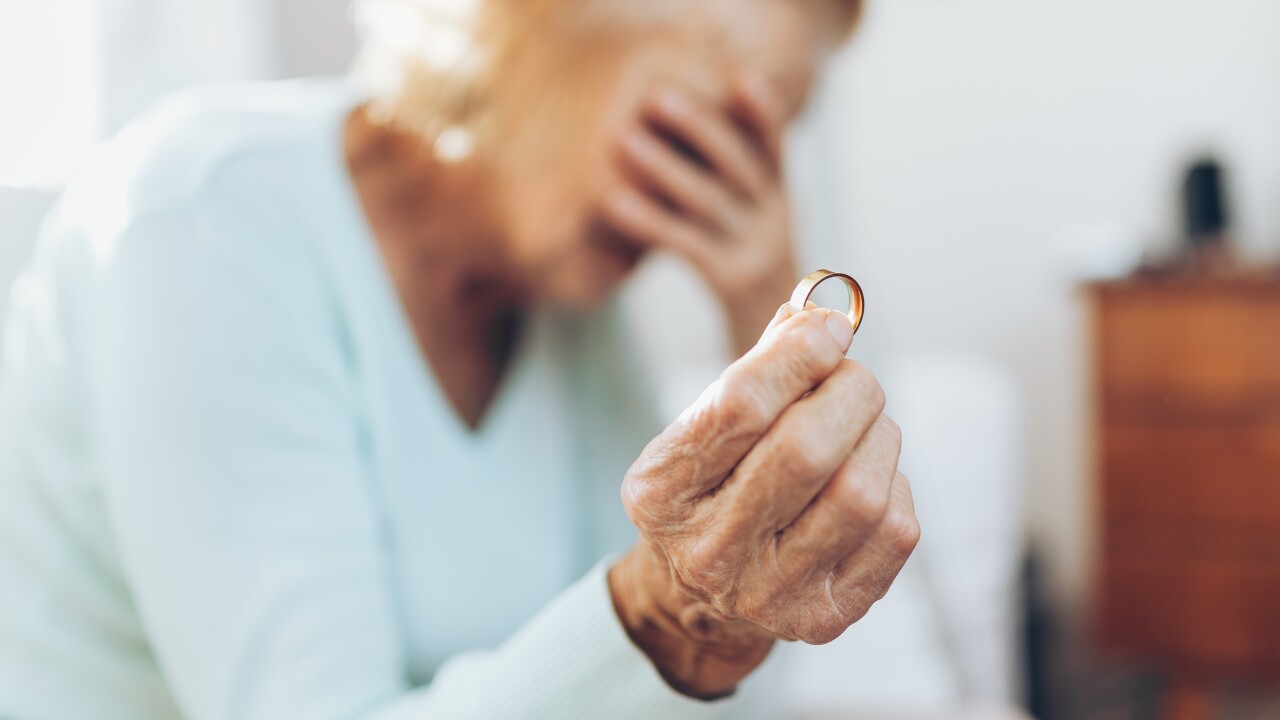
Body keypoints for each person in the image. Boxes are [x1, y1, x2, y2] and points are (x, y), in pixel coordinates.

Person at [0, 0, 919, 717]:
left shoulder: (566, 305)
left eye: (755, 151)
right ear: (542, 27)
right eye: (691, 139)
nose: (714, 201)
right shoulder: (197, 221)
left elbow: (712, 703)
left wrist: (766, 319)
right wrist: (659, 617)